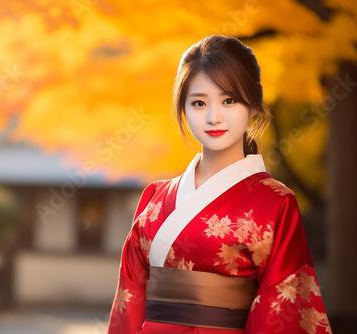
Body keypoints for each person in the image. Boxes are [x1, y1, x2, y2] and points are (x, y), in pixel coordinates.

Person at [107, 35, 331, 334]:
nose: (214, 117)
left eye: (229, 100)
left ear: (252, 105)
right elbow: (129, 299)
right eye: (199, 102)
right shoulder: (155, 196)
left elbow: (282, 308)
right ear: (183, 109)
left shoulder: (275, 202)